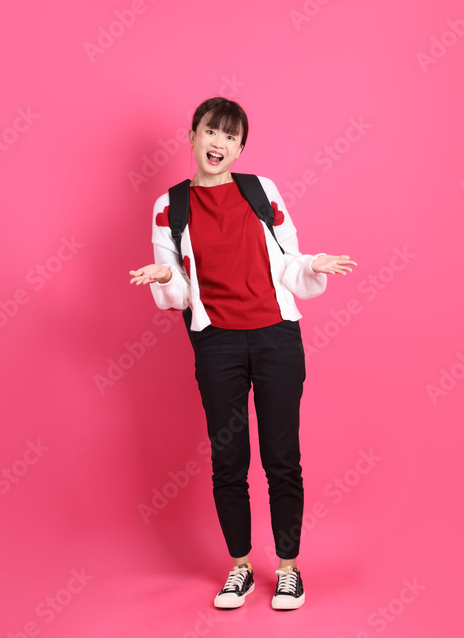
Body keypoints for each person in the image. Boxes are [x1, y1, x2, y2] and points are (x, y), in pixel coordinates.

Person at [129, 96, 356, 610]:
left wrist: (314, 262)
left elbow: (290, 259)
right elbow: (180, 291)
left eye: (231, 137)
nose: (220, 143)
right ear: (192, 135)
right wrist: (167, 275)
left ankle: (289, 570)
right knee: (228, 460)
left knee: (283, 460)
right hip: (218, 343)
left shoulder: (260, 191)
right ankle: (240, 568)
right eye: (212, 132)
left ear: (240, 147)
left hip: (277, 336)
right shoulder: (170, 206)